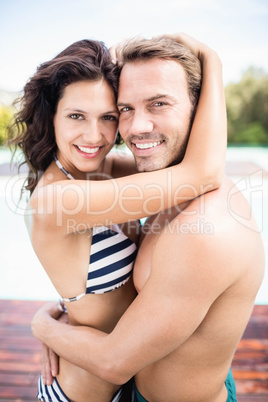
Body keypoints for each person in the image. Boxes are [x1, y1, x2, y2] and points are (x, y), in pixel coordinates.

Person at [31, 33, 265, 402]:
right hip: (98, 384)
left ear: (197, 105)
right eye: (126, 109)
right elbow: (201, 171)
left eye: (109, 116)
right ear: (52, 116)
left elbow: (203, 170)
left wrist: (45, 326)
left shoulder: (141, 182)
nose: (135, 128)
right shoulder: (69, 192)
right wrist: (63, 317)